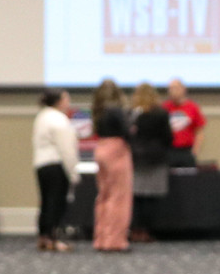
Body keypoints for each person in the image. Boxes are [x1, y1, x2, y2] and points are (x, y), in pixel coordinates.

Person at [31, 88, 79, 252]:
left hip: (41, 164)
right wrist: (73, 172)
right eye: (66, 99)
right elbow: (67, 148)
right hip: (56, 165)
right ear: (58, 101)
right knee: (56, 203)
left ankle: (43, 236)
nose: (68, 102)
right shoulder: (59, 119)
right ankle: (53, 238)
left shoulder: (42, 117)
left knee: (45, 202)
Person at [89, 80, 132, 252]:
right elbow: (126, 131)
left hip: (101, 148)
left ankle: (101, 238)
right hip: (117, 150)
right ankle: (115, 240)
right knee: (119, 197)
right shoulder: (116, 110)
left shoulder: (97, 111)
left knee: (104, 195)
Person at [128, 82, 173, 242]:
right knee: (151, 197)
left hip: (136, 159)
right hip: (156, 159)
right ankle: (146, 230)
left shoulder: (132, 114)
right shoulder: (161, 113)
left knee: (136, 196)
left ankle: (135, 230)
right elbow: (168, 137)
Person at [162, 78, 208, 169]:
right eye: (170, 89)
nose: (172, 91)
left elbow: (199, 131)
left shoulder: (192, 107)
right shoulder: (164, 108)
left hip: (186, 151)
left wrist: (195, 151)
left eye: (175, 88)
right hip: (170, 150)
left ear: (183, 89)